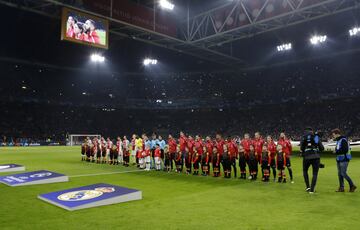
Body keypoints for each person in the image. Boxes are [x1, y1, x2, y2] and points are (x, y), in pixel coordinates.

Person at [300, 127, 324, 193]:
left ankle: (308, 187)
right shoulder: (316, 137)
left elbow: (301, 148)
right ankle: (312, 190)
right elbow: (322, 148)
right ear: (312, 131)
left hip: (306, 156)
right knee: (315, 173)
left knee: (305, 171)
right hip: (315, 157)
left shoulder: (304, 137)